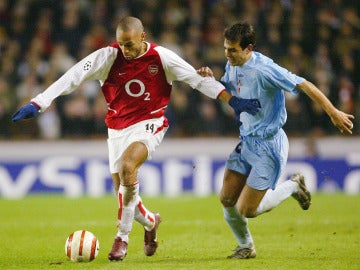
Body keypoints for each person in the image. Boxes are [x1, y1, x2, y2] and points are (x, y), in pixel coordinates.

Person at [12, 17, 261, 261]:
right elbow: (73, 76)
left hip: (150, 122)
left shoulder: (161, 57)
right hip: (117, 128)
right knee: (123, 190)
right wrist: (39, 102)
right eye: (121, 44)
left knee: (128, 166)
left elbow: (197, 80)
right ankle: (151, 221)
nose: (125, 50)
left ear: (143, 37)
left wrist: (233, 101)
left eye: (129, 44)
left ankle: (122, 238)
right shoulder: (107, 57)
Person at [197, 22, 354, 259]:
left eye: (233, 50)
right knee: (226, 198)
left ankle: (292, 186)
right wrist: (212, 80)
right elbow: (230, 88)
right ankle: (246, 247)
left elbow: (304, 84)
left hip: (269, 144)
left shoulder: (265, 70)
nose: (227, 55)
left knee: (247, 210)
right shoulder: (233, 65)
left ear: (248, 48)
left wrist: (333, 112)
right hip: (247, 139)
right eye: (225, 49)